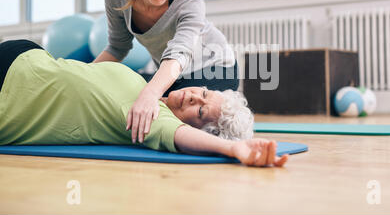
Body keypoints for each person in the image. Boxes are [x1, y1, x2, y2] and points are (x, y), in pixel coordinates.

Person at [0, 40, 288, 167]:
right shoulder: (149, 89)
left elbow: (180, 137)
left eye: (200, 111)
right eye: (203, 91)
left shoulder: (154, 122)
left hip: (9, 95)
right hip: (27, 55)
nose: (193, 96)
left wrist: (233, 148)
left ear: (201, 131)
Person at [93, 0, 238, 150]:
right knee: (129, 93)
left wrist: (151, 93)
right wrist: (80, 75)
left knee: (161, 114)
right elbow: (117, 47)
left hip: (214, 68)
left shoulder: (190, 3)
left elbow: (179, 54)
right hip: (171, 71)